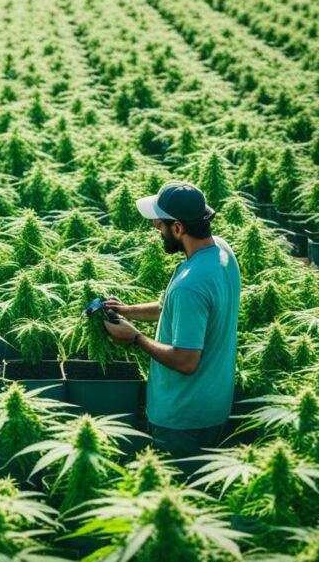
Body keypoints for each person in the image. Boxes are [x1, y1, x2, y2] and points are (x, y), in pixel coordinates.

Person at [101, 181, 241, 472]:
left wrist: (135, 338)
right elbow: (175, 309)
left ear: (178, 228)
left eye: (160, 223)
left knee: (178, 502)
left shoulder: (190, 285)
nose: (155, 226)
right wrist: (128, 311)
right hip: (212, 405)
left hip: (184, 416)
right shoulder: (220, 253)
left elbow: (185, 360)